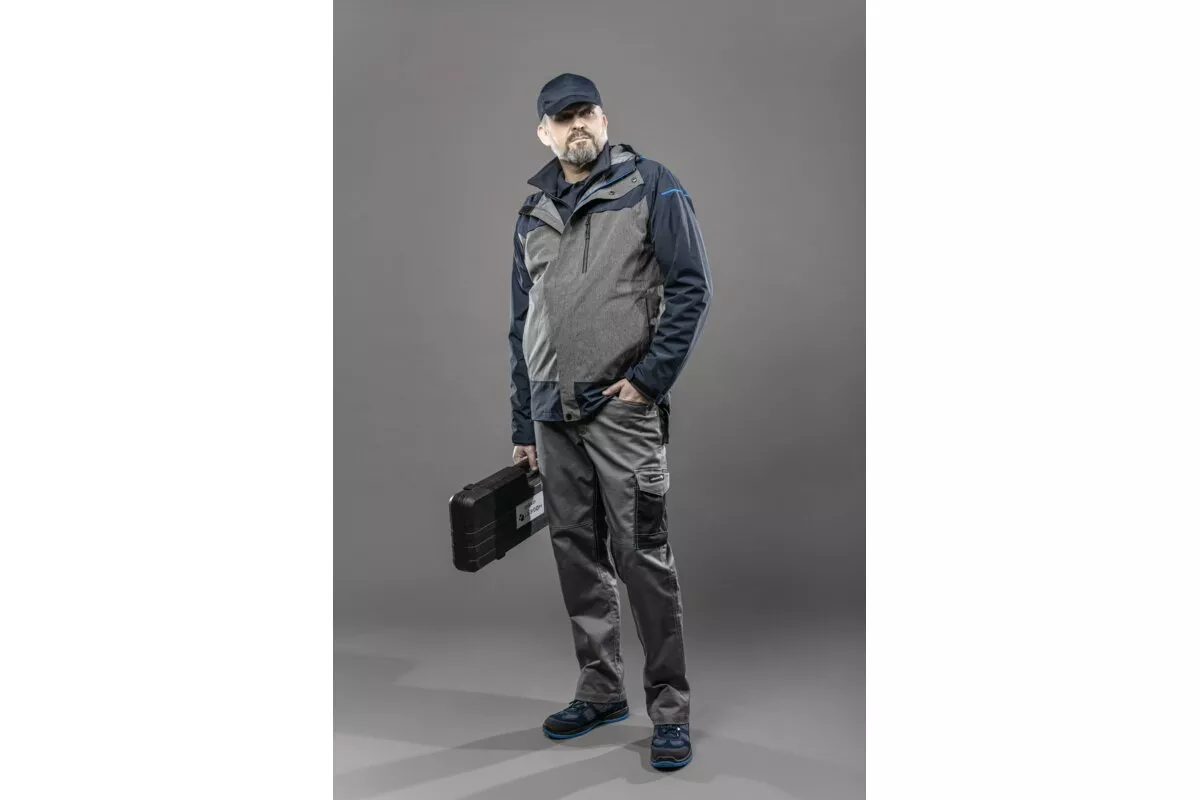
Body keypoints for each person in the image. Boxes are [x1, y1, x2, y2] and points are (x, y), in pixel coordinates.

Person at [507, 73, 713, 771]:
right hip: (551, 413)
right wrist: (522, 422)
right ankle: (600, 690)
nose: (577, 126)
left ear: (603, 117)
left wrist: (648, 382)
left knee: (643, 555)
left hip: (621, 413)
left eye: (586, 113)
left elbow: (692, 287)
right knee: (576, 553)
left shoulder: (651, 185)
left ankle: (670, 710)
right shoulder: (532, 211)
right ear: (544, 133)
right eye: (562, 119)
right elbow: (521, 323)